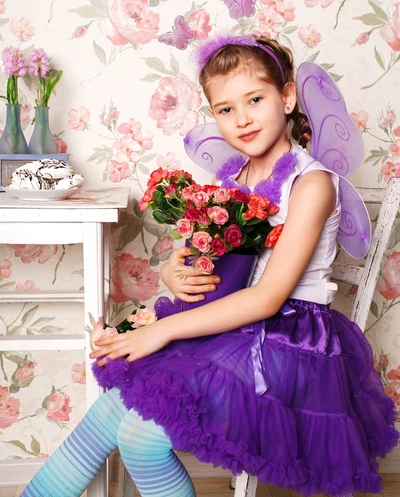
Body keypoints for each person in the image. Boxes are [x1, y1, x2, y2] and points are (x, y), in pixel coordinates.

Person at [22, 35, 399, 497]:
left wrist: (159, 331)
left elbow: (267, 296)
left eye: (255, 100)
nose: (241, 119)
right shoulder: (233, 181)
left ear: (287, 97)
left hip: (288, 339)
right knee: (106, 415)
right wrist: (173, 273)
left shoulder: (312, 183)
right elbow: (213, 266)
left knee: (142, 439)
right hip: (233, 324)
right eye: (224, 109)